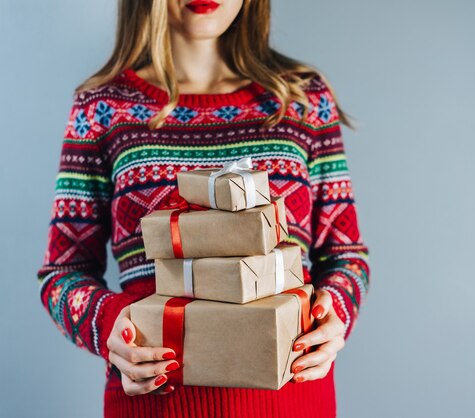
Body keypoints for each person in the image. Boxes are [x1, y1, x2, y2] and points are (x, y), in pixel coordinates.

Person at [37, 0, 370, 416]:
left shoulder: (302, 98)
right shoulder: (102, 107)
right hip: (156, 401)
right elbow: (62, 272)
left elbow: (346, 255)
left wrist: (333, 312)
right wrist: (109, 324)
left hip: (291, 398)